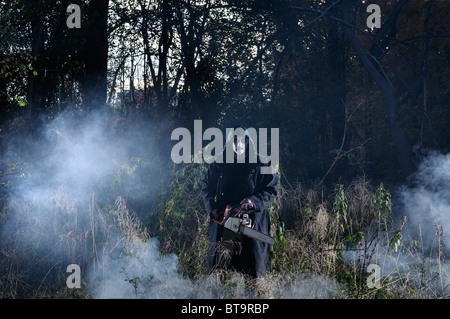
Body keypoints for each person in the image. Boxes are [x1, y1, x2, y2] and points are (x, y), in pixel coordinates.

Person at [201, 125, 278, 283]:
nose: (239, 143)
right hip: (225, 219)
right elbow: (206, 188)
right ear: (229, 141)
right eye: (234, 140)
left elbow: (271, 190)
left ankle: (255, 297)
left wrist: (253, 201)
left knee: (254, 268)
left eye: (242, 140)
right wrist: (212, 209)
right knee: (219, 265)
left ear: (248, 141)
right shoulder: (220, 162)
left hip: (252, 221)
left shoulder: (262, 162)